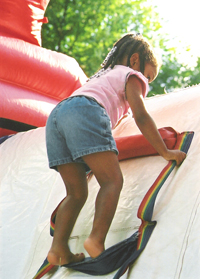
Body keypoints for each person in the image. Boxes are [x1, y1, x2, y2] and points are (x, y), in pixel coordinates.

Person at [45, 33, 186, 266]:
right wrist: (165, 151)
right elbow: (141, 115)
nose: (146, 83)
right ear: (134, 61)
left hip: (57, 116)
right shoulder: (131, 76)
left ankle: (58, 249)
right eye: (148, 76)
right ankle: (96, 240)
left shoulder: (100, 78)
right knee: (112, 181)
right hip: (85, 111)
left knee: (76, 193)